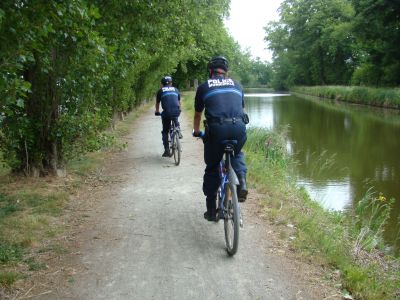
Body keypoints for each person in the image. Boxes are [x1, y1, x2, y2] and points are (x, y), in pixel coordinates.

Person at [193, 56, 248, 222]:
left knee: (212, 167)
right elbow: (241, 108)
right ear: (226, 72)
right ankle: (242, 182)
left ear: (211, 71)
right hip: (239, 128)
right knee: (237, 153)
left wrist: (196, 131)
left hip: (217, 130)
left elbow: (197, 114)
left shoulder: (204, 87)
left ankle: (211, 210)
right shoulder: (237, 84)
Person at [155, 75, 182, 157]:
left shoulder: (160, 91)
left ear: (162, 84)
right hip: (176, 111)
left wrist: (157, 111)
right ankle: (178, 129)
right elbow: (178, 102)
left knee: (165, 131)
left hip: (166, 113)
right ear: (171, 83)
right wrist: (179, 109)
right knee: (175, 116)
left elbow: (157, 103)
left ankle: (167, 150)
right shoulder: (176, 89)